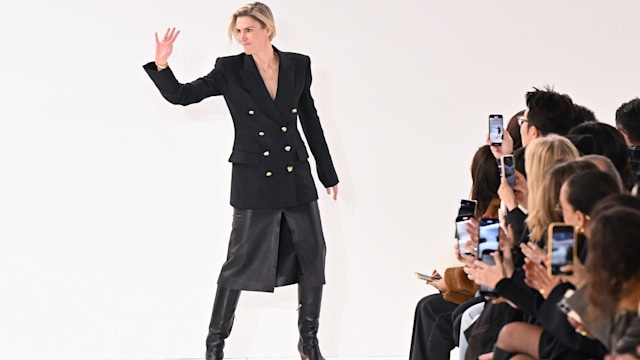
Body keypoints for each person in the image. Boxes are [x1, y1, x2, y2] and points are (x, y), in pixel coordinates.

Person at [142, 3, 338, 360]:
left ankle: (309, 343)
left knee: (313, 258)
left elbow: (310, 119)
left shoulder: (298, 64)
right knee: (238, 265)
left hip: (296, 177)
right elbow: (182, 96)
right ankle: (214, 346)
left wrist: (327, 173)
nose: (242, 37)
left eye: (249, 29)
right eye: (239, 31)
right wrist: (162, 65)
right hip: (254, 181)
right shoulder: (229, 69)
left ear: (267, 30)